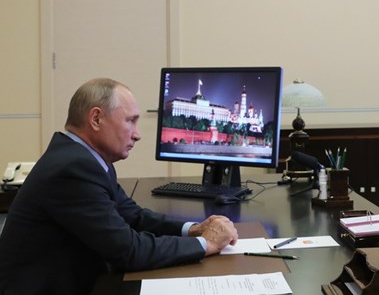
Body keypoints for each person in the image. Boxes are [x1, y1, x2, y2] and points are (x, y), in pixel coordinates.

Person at [0, 78, 239, 295]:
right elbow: (129, 250)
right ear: (96, 119)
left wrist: (194, 229)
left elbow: (133, 216)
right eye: (130, 121)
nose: (137, 135)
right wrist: (206, 244)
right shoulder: (72, 168)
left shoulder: (85, 159)